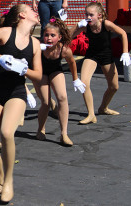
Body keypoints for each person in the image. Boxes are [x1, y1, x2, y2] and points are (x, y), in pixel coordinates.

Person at [0, 4, 42, 202]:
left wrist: (22, 70)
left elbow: (37, 75)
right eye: (31, 9)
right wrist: (1, 58)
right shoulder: (4, 33)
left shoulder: (35, 44)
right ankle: (0, 181)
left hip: (16, 91)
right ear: (21, 15)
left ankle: (9, 182)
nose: (36, 11)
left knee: (7, 132)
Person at [70, 1, 131, 124]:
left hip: (106, 56)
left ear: (99, 15)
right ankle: (91, 114)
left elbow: (123, 34)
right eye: (86, 14)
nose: (88, 17)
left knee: (114, 87)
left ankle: (103, 108)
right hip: (92, 55)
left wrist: (125, 52)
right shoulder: (85, 26)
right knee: (84, 83)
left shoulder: (106, 24)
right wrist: (77, 25)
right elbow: (68, 36)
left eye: (91, 15)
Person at [33, 17, 85, 146]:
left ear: (60, 37)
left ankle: (64, 134)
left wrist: (76, 79)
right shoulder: (38, 47)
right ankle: (41, 129)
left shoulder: (64, 49)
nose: (49, 38)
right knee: (45, 102)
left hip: (55, 70)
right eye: (46, 35)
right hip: (41, 72)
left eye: (52, 35)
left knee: (62, 97)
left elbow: (72, 63)